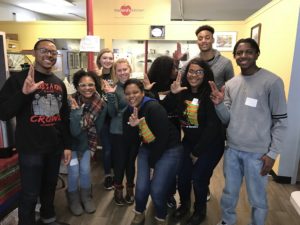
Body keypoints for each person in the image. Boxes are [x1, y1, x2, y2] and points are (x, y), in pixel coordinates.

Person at [209, 38, 288, 225]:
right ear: (235, 56)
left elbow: (281, 121)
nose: (243, 56)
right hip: (232, 150)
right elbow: (226, 118)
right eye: (239, 53)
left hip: (258, 154)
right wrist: (219, 104)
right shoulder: (231, 84)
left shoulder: (272, 82)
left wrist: (272, 153)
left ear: (257, 54)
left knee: (257, 198)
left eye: (248, 52)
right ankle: (227, 221)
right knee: (229, 192)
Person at [0, 39, 72, 225]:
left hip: (54, 147)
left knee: (49, 188)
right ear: (34, 53)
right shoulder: (18, 80)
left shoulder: (58, 83)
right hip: (30, 148)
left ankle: (49, 219)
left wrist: (66, 145)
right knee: (30, 193)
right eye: (44, 51)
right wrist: (24, 93)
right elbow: (4, 113)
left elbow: (64, 117)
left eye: (53, 52)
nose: (49, 55)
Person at [161, 58, 225, 225]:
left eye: (199, 72)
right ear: (185, 73)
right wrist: (172, 94)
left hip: (211, 144)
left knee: (198, 178)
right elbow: (165, 110)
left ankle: (199, 210)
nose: (194, 75)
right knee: (182, 176)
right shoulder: (182, 91)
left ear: (205, 74)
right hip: (189, 141)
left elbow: (213, 127)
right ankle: (184, 205)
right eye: (191, 71)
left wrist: (197, 152)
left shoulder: (210, 94)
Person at [123, 79, 182, 225]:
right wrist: (133, 126)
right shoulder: (129, 111)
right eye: (128, 93)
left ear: (143, 93)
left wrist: (152, 164)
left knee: (157, 190)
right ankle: (139, 212)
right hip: (148, 147)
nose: (132, 96)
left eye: (135, 92)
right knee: (142, 187)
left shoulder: (153, 108)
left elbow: (161, 140)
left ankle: (161, 216)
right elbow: (131, 140)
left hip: (169, 149)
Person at [66, 70, 106, 216]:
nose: (87, 88)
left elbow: (98, 129)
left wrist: (81, 124)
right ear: (77, 86)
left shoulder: (101, 104)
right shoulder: (69, 102)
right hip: (70, 145)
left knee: (85, 171)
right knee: (73, 171)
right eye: (82, 85)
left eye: (91, 84)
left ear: (95, 85)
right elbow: (73, 131)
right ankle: (73, 199)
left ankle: (86, 197)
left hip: (88, 142)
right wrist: (76, 113)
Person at [145, 55, 181, 209]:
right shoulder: (150, 87)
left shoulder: (177, 85)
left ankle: (170, 194)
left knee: (172, 165)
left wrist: (173, 94)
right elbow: (158, 110)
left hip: (173, 132)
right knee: (157, 162)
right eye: (173, 67)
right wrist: (150, 92)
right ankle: (157, 192)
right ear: (165, 70)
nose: (176, 70)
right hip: (155, 133)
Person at [103, 59, 139, 206]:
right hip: (118, 132)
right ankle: (118, 190)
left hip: (134, 130)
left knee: (131, 162)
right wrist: (111, 95)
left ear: (129, 69)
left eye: (125, 69)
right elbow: (112, 113)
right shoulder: (114, 89)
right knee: (119, 163)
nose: (123, 72)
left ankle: (130, 189)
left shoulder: (136, 86)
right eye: (119, 70)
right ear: (115, 73)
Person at [95, 48, 115, 190]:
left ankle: (118, 172)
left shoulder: (117, 75)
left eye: (110, 58)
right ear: (99, 60)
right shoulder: (95, 76)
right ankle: (108, 175)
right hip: (103, 119)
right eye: (105, 58)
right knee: (107, 148)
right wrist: (97, 80)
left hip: (117, 117)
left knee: (117, 148)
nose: (108, 61)